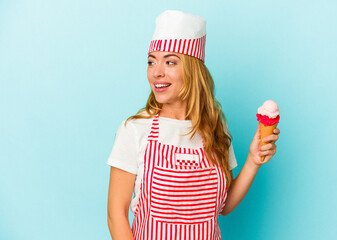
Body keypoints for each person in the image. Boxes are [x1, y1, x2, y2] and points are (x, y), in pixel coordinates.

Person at [107, 10, 280, 240]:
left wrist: (253, 160)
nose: (157, 72)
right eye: (151, 61)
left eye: (170, 62)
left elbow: (223, 206)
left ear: (192, 69)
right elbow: (115, 214)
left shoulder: (215, 127)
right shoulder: (135, 130)